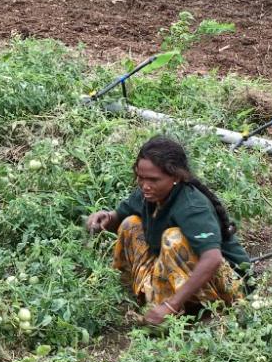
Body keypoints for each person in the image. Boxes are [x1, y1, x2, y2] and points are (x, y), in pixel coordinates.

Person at [86, 136, 249, 326]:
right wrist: (105, 218)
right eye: (141, 177)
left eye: (154, 180)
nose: (145, 185)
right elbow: (118, 218)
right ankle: (146, 299)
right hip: (183, 276)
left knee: (173, 238)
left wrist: (171, 305)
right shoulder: (148, 195)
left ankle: (203, 310)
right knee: (130, 224)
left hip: (230, 285)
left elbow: (212, 259)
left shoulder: (192, 206)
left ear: (176, 177)